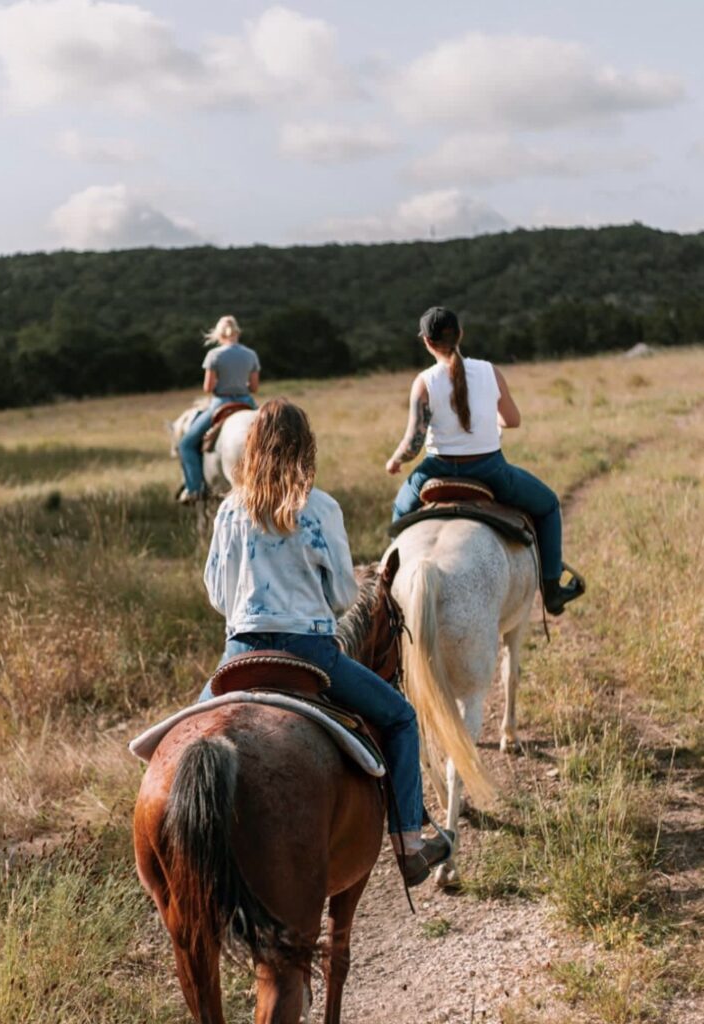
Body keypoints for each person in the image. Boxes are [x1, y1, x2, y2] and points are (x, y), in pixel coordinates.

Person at [200, 397, 451, 885]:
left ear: (251, 447)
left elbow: (216, 595)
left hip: (241, 653)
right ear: (305, 448)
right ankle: (409, 841)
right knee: (400, 718)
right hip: (310, 653)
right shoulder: (320, 508)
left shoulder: (230, 509)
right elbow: (341, 595)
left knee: (176, 739)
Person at [386, 306, 584, 616]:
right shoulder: (490, 371)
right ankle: (552, 589)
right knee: (548, 506)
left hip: (435, 470)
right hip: (490, 469)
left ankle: (386, 592)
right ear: (460, 334)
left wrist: (395, 461)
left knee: (399, 514)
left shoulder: (424, 381)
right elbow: (513, 420)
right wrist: (486, 420)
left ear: (426, 342)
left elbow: (414, 444)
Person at [177, 314, 260, 503]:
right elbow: (254, 388)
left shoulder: (214, 355)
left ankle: (194, 489)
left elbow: (208, 387)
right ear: (237, 333)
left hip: (221, 402)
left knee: (186, 445)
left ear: (219, 335)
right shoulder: (250, 355)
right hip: (247, 402)